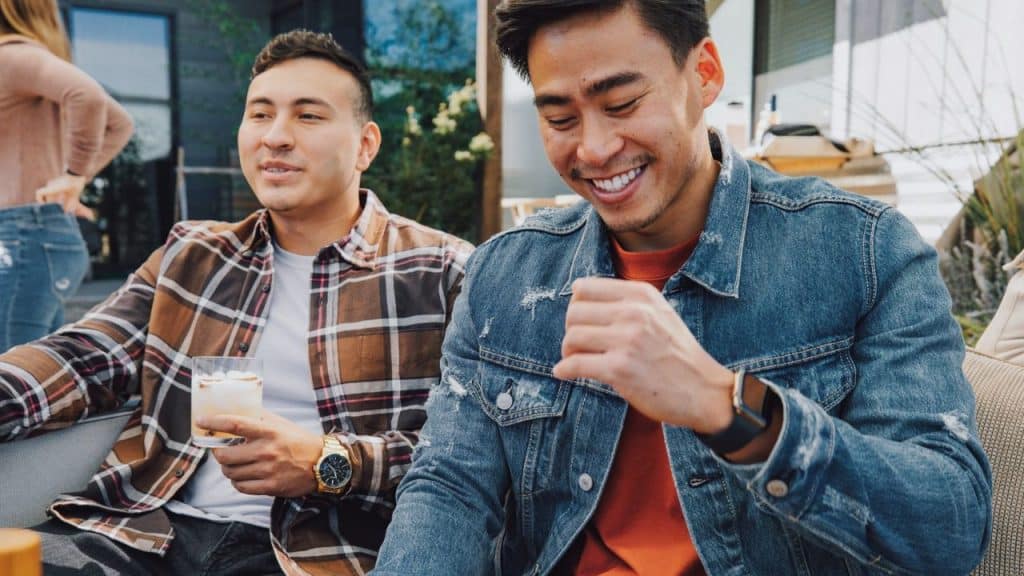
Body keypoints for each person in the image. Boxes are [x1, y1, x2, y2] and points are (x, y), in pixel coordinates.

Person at [374, 1, 992, 575]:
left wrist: (727, 408)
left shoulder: (864, 251)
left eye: (620, 104)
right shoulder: (505, 276)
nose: (593, 149)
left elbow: (949, 525)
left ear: (705, 73)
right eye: (561, 117)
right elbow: (450, 487)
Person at [0, 30, 470, 575]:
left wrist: (326, 462)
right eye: (260, 114)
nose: (276, 137)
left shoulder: (441, 270)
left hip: (314, 552)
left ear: (365, 144)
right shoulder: (192, 255)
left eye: (308, 117)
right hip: (143, 530)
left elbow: (469, 456)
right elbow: (81, 356)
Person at [0, 0, 134, 352]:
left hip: (24, 237)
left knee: (13, 377)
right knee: (33, 374)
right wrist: (74, 178)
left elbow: (87, 97)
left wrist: (75, 176)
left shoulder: (11, 56)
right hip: (30, 236)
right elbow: (118, 122)